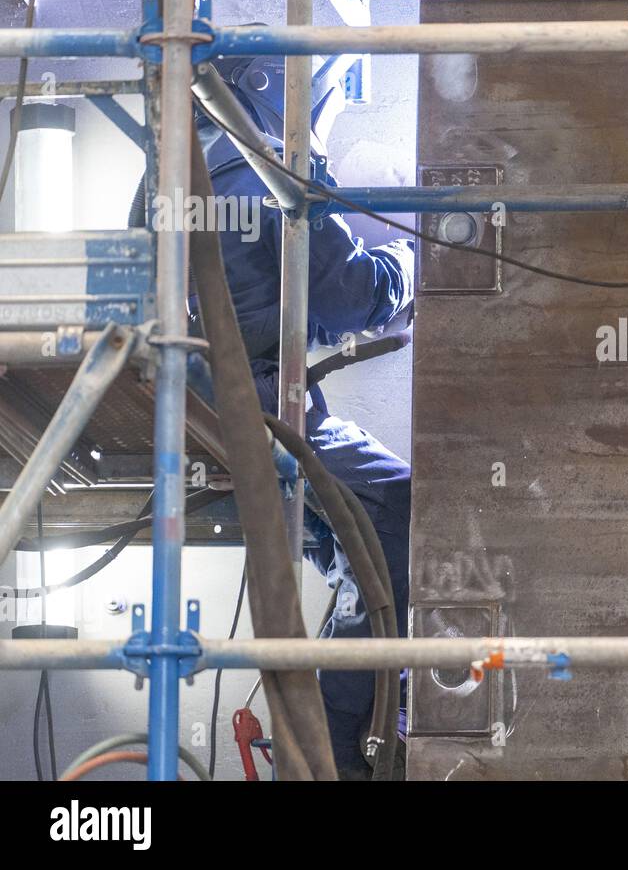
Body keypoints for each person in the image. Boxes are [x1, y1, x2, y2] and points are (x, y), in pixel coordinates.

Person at [195, 54, 415, 779]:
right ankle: (349, 732)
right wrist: (411, 264)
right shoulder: (265, 168)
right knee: (401, 508)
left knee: (356, 549)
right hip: (255, 404)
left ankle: (343, 708)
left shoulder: (189, 156)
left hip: (203, 396)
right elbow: (350, 294)